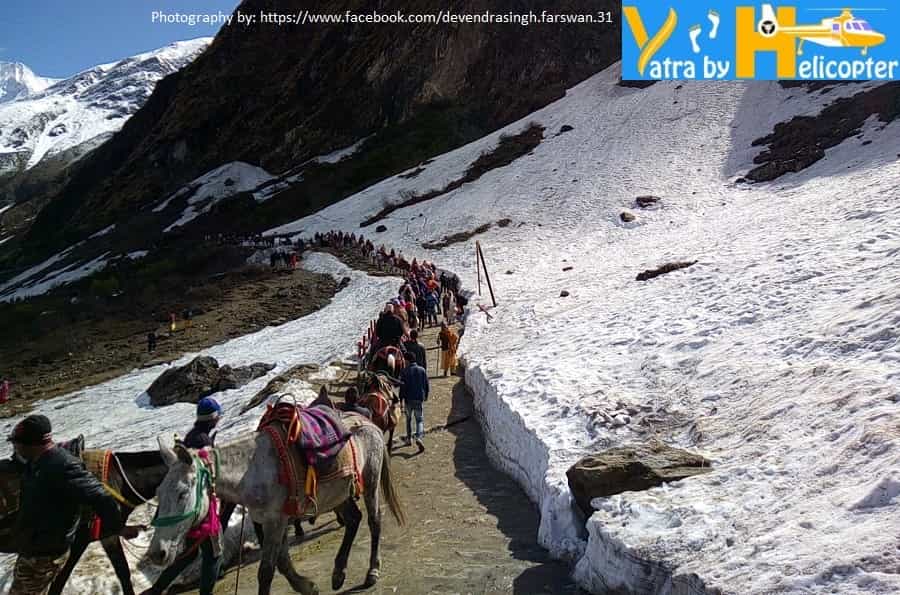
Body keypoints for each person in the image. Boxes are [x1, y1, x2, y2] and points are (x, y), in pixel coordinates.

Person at [9, 415, 140, 595]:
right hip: (32, 549)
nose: (15, 447)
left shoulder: (63, 466)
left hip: (45, 554)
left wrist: (118, 527)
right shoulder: (36, 463)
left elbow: (101, 497)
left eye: (17, 443)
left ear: (32, 444)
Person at [142, 398, 224, 595]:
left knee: (189, 553)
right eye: (218, 416)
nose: (219, 419)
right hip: (200, 509)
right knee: (214, 553)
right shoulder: (203, 441)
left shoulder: (193, 435)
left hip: (187, 507)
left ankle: (158, 588)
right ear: (213, 418)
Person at [399, 360, 429, 453]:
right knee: (419, 420)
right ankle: (419, 437)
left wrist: (401, 400)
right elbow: (426, 385)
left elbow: (402, 387)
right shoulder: (422, 370)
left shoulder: (404, 371)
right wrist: (426, 395)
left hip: (408, 400)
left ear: (408, 361)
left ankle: (408, 439)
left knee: (408, 419)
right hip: (418, 399)